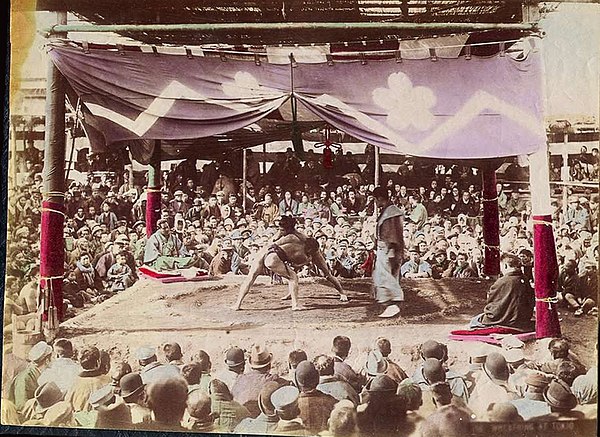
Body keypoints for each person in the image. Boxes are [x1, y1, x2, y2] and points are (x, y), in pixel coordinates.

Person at [233, 216, 347, 311]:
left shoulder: (301, 240)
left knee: (251, 278)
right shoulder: (289, 237)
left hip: (267, 255)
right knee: (293, 277)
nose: (280, 231)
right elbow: (276, 245)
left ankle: (237, 304)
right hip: (273, 256)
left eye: (282, 229)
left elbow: (301, 255)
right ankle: (295, 304)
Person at [470, 253, 534, 331]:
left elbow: (494, 304)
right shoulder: (525, 279)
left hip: (505, 320)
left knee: (474, 321)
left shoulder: (502, 281)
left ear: (505, 266)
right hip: (522, 319)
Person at [372, 186, 405, 318]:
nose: (375, 203)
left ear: (379, 198)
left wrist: (391, 250)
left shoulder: (391, 213)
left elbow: (393, 233)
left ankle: (394, 303)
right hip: (387, 247)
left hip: (388, 248)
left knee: (384, 276)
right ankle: (391, 304)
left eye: (375, 200)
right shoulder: (390, 211)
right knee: (386, 275)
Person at [7, 341, 53, 412]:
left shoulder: (43, 373)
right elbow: (21, 406)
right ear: (47, 360)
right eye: (52, 357)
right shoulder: (24, 379)